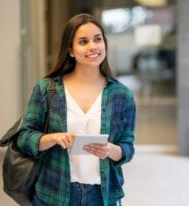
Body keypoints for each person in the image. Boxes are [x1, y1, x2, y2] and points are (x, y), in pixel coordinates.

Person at [17, 13, 136, 206]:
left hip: (103, 196)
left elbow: (128, 147)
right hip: (54, 193)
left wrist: (112, 150)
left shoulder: (122, 95)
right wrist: (52, 138)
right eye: (83, 41)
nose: (93, 46)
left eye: (98, 39)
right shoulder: (48, 89)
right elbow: (23, 138)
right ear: (70, 50)